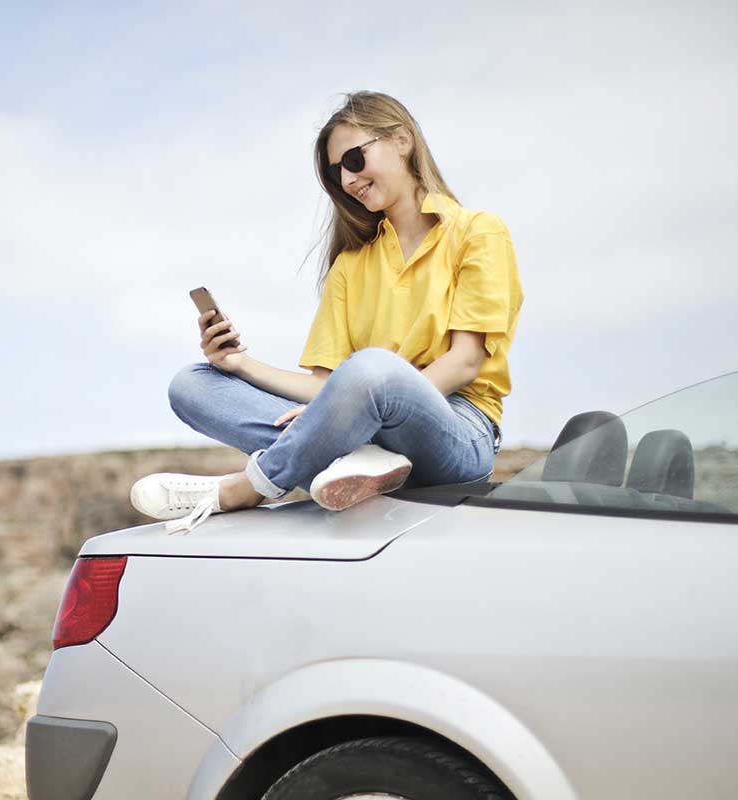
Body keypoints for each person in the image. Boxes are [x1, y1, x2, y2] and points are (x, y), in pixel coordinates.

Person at [131, 90, 523, 533]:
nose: (349, 179)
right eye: (338, 174)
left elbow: (465, 361)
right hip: (362, 427)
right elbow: (324, 386)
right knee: (191, 385)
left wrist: (351, 408)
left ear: (401, 140)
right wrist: (240, 364)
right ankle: (355, 460)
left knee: (374, 369)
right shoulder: (351, 266)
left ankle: (248, 486)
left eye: (354, 160)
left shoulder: (478, 232)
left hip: (457, 429)